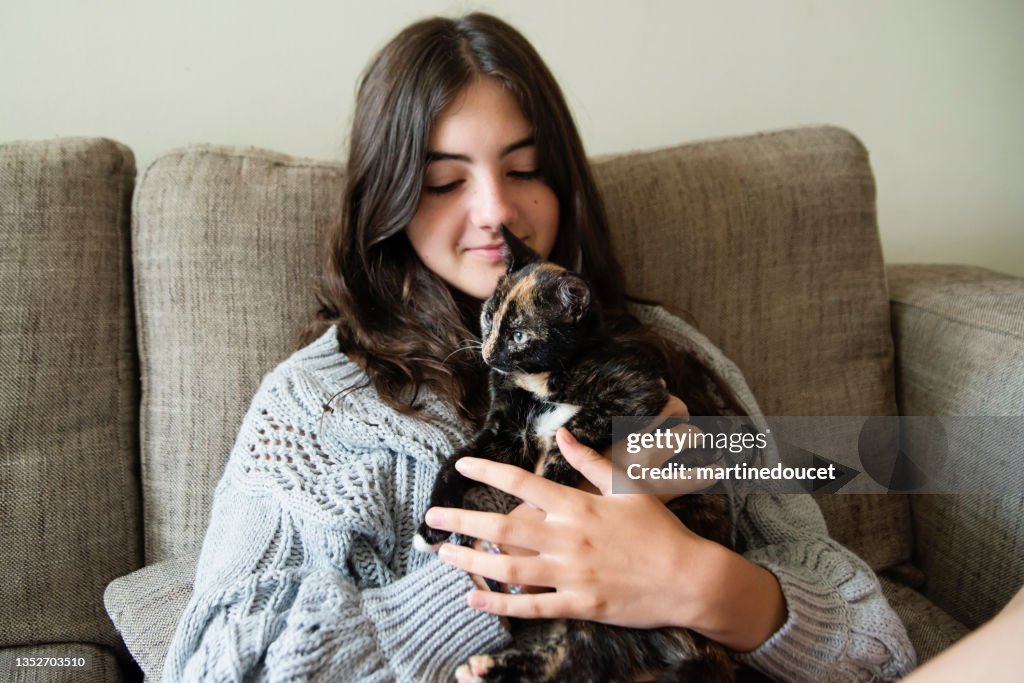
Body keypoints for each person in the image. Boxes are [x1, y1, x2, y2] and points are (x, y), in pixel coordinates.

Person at [162, 12, 916, 682]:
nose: (494, 210)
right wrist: (510, 571)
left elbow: (874, 644)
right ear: (388, 198)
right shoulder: (316, 404)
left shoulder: (675, 353)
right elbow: (217, 663)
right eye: (443, 182)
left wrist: (702, 583)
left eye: (523, 170)